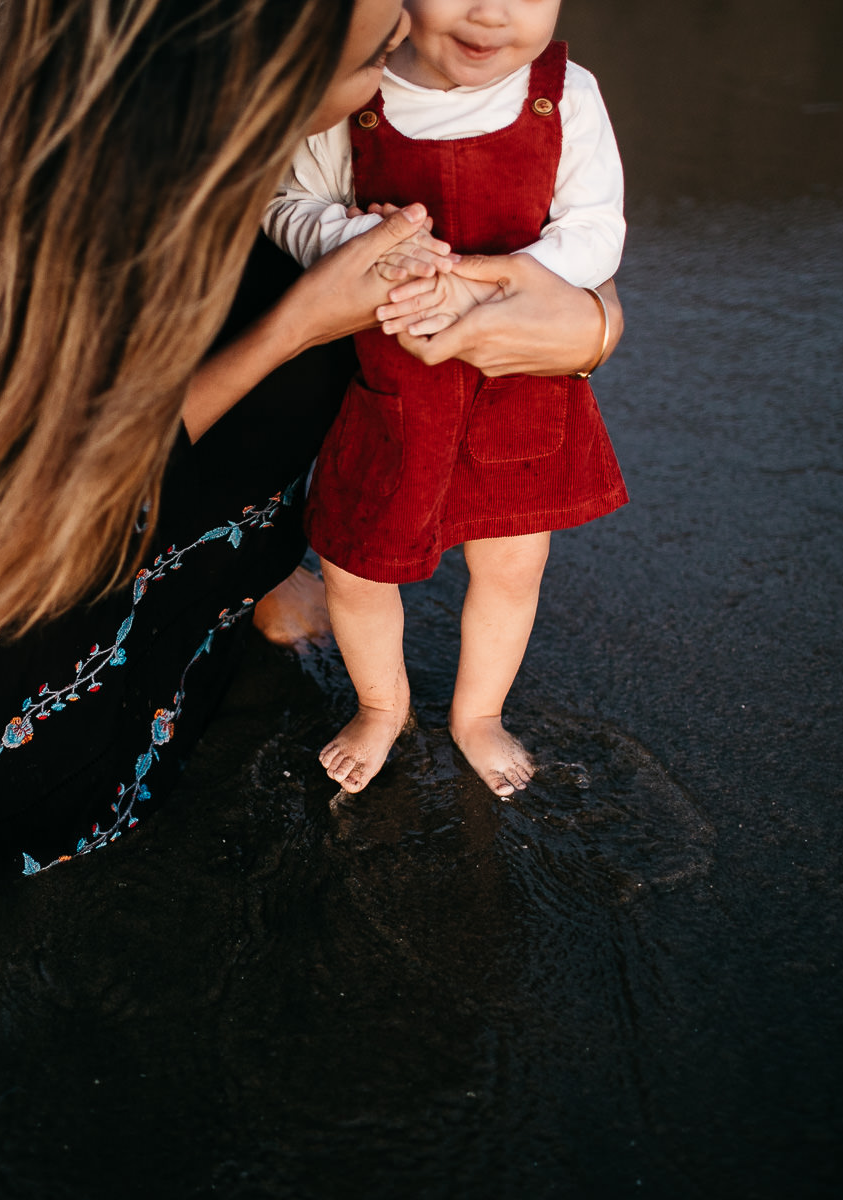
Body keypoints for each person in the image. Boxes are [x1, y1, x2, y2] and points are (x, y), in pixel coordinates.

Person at [0, 0, 622, 903]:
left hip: (193, 569)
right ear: (253, 77)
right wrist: (299, 323)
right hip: (50, 609)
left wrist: (587, 327)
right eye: (371, 60)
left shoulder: (277, 161)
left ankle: (246, 580)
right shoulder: (67, 204)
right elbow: (51, 483)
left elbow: (577, 279)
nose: (395, 83)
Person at [262, 0, 628, 797]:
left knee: (511, 563)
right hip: (392, 389)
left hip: (518, 383)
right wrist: (351, 240)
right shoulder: (353, 96)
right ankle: (380, 705)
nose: (492, 12)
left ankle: (478, 714)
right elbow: (287, 205)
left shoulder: (564, 95)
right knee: (357, 568)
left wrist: (484, 281)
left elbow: (598, 229)